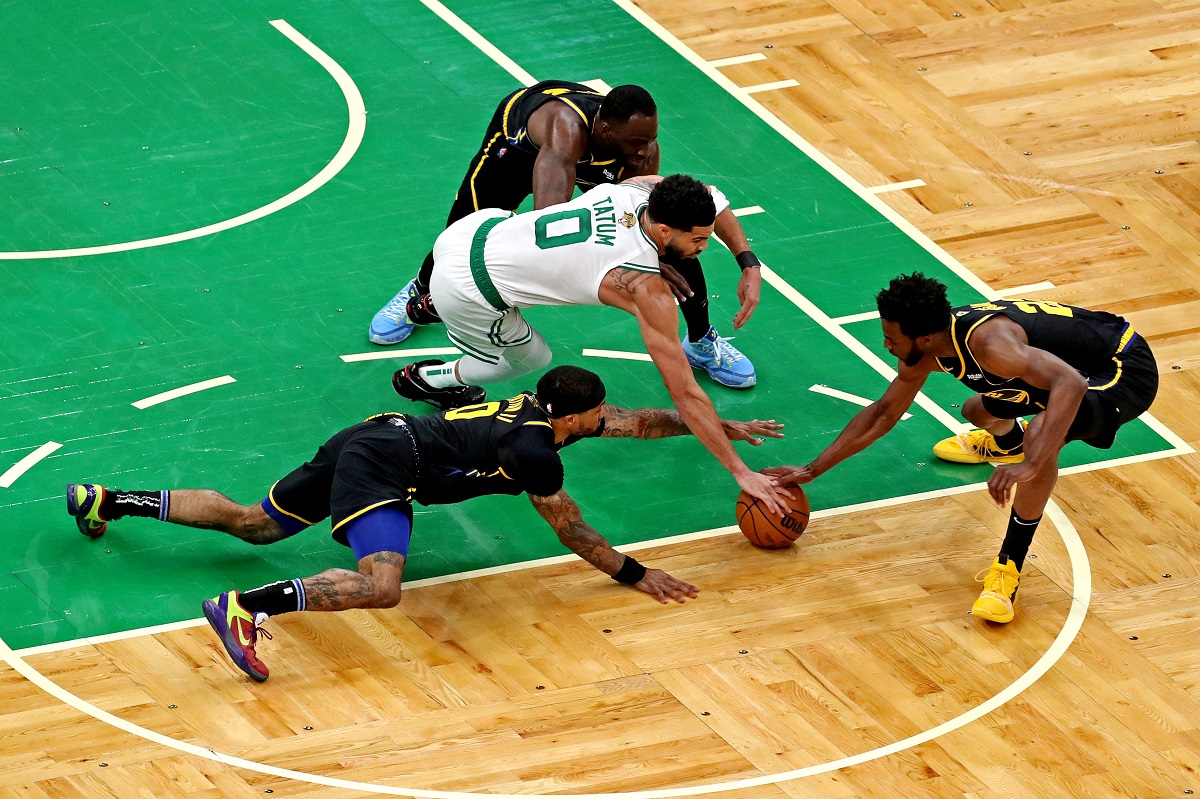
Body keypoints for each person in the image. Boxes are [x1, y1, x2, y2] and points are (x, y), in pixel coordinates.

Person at [66, 365, 784, 682]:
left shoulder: (549, 414)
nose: (608, 422)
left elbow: (643, 421)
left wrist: (720, 427)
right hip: (390, 466)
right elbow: (574, 532)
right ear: (573, 416)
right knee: (382, 587)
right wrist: (637, 573)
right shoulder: (536, 452)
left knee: (255, 524)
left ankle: (107, 498)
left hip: (372, 434)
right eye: (598, 417)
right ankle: (244, 608)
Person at [764, 273, 1158, 624]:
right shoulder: (928, 349)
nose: (885, 344)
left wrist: (1032, 464)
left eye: (891, 337)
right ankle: (1006, 444)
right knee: (976, 409)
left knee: (1041, 435)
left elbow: (1069, 385)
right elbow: (884, 413)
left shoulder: (991, 345)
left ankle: (1007, 572)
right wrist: (813, 469)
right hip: (1056, 368)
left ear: (924, 338)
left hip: (1121, 367)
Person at [391, 173, 788, 513]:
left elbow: (710, 197)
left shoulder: (642, 191)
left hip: (473, 230)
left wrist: (749, 263)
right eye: (699, 241)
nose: (702, 249)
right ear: (665, 231)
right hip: (468, 289)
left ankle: (431, 303)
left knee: (516, 250)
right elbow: (684, 392)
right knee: (527, 359)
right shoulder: (645, 289)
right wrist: (741, 471)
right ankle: (430, 377)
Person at [368, 80, 762, 388]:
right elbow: (547, 226)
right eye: (638, 142)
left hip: (588, 156)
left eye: (651, 139)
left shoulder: (638, 148)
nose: (646, 152)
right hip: (517, 151)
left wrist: (665, 258)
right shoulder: (565, 130)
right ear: (606, 129)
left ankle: (702, 340)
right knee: (462, 226)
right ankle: (421, 290)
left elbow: (660, 225)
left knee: (676, 244)